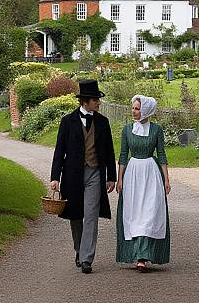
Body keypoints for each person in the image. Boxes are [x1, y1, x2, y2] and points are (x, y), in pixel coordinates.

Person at [50, 79, 116, 274]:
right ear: (85, 101)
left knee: (91, 216)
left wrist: (111, 176)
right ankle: (79, 250)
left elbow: (110, 151)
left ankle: (87, 258)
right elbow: (59, 151)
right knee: (76, 215)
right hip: (72, 175)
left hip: (95, 173)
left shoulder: (103, 122)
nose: (99, 103)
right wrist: (55, 177)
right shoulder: (67, 122)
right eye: (96, 99)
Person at [116, 95, 170, 271]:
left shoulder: (156, 130)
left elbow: (162, 155)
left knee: (149, 214)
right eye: (133, 108)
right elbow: (123, 155)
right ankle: (136, 254)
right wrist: (119, 179)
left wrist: (166, 179)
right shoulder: (127, 130)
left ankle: (144, 256)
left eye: (137, 108)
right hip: (132, 174)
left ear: (146, 110)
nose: (133, 111)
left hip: (151, 174)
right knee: (134, 215)